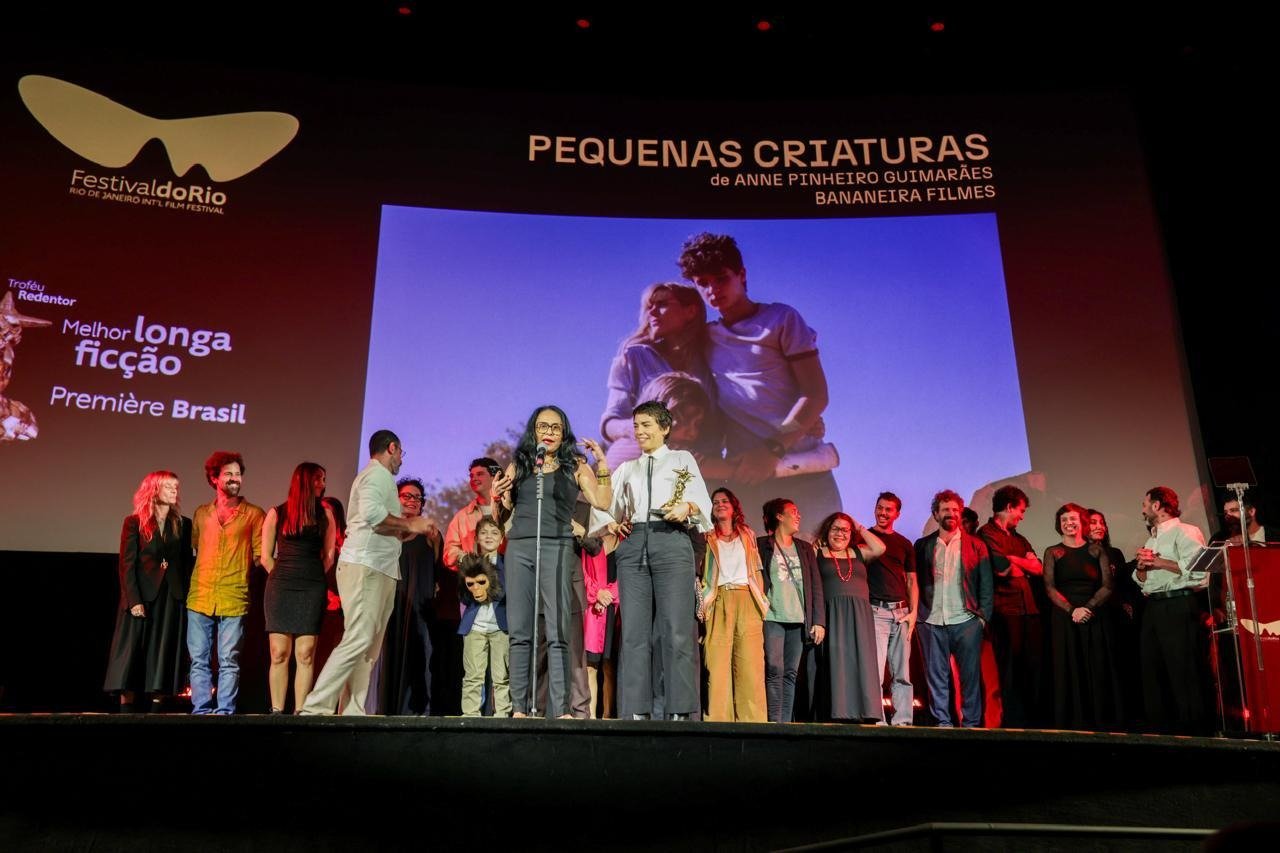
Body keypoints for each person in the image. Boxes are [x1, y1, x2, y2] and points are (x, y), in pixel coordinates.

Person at [679, 232, 839, 524]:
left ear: (741, 275)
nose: (713, 289)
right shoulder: (705, 337)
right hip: (746, 478)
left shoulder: (781, 319)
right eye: (703, 283)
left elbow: (816, 394)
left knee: (817, 550)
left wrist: (773, 449)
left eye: (721, 278)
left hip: (801, 471)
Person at [300, 430, 436, 715]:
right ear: (392, 448)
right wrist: (410, 524)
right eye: (401, 453)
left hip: (382, 568)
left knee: (369, 648)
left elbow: (381, 527)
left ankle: (353, 710)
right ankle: (316, 705)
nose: (401, 460)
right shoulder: (376, 475)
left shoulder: (381, 478)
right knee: (359, 638)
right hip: (365, 566)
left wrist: (410, 530)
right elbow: (373, 516)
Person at [494, 406, 611, 719]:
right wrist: (498, 498)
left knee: (559, 630)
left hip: (557, 547)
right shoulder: (520, 464)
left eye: (555, 427)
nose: (549, 432)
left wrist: (601, 464)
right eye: (543, 426)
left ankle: (561, 710)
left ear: (564, 432)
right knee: (520, 631)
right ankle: (519, 709)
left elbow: (602, 501)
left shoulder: (575, 465)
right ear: (534, 430)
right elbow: (501, 517)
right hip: (520, 548)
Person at [608, 399, 713, 720]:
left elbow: (702, 502)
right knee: (634, 633)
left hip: (672, 540)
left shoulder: (682, 459)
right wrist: (613, 523)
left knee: (676, 630)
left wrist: (688, 508)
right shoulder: (627, 468)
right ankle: (635, 711)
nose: (639, 431)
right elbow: (607, 509)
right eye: (636, 426)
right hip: (634, 543)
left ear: (665, 428)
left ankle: (680, 710)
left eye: (646, 425)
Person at [103, 471, 193, 711]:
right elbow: (127, 564)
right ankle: (126, 713)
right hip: (141, 596)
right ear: (153, 490)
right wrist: (133, 600)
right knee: (132, 654)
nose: (174, 490)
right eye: (168, 486)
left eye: (176, 487)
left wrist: (184, 595)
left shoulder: (182, 524)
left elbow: (185, 562)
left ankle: (156, 712)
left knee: (162, 651)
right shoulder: (135, 522)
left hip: (171, 597)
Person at [186, 451, 266, 715]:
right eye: (228, 474)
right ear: (214, 478)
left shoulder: (254, 514)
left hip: (234, 595)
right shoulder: (201, 514)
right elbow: (197, 548)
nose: (235, 478)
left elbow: (259, 556)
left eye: (238, 474)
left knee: (229, 661)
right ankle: (201, 711)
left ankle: (224, 714)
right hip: (200, 595)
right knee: (198, 660)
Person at [601, 283, 711, 468]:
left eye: (662, 304)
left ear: (690, 311)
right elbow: (610, 423)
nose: (651, 312)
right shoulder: (633, 356)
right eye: (649, 306)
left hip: (697, 467)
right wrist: (638, 428)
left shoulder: (709, 360)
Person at [261, 462, 337, 713]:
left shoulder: (325, 514)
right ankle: (277, 711)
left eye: (324, 479)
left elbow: (328, 557)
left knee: (305, 653)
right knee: (278, 652)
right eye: (319, 478)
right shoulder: (277, 513)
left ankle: (301, 712)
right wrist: (284, 575)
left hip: (311, 587)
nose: (323, 484)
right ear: (304, 481)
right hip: (281, 586)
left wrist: (310, 577)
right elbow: (265, 557)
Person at [1134, 486, 1210, 734]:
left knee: (1183, 668)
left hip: (1177, 604)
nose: (1143, 510)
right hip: (1154, 607)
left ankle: (1193, 732)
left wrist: (1159, 562)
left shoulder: (1185, 531)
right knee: (1153, 670)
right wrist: (1142, 568)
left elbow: (1199, 571)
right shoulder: (1152, 538)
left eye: (1145, 504)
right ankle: (1163, 730)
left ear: (1156, 505)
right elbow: (1143, 581)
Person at [915, 490, 993, 728]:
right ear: (936, 514)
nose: (951, 514)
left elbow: (986, 584)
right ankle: (943, 723)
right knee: (936, 678)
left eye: (955, 510)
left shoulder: (976, 545)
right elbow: (914, 581)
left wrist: (982, 618)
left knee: (970, 677)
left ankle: (971, 725)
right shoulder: (923, 545)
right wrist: (919, 617)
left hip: (966, 620)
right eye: (945, 510)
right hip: (931, 621)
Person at [1043, 503, 1122, 730]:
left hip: (1094, 615)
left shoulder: (1096, 550)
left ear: (1082, 522)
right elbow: (1049, 587)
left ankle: (1102, 723)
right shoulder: (1052, 552)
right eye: (1064, 520)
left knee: (1097, 667)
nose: (1068, 523)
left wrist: (1088, 607)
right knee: (1069, 668)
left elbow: (1107, 585)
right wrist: (1072, 610)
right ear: (1059, 525)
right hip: (1065, 617)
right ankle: (1073, 724)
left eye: (1073, 519)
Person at [368, 476, 442, 715]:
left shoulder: (430, 534)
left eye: (418, 497)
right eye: (406, 496)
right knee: (387, 656)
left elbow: (437, 568)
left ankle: (415, 713)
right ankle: (384, 711)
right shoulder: (385, 532)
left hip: (419, 606)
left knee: (418, 659)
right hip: (390, 602)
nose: (412, 500)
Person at [976, 484, 1044, 728]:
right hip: (1005, 611)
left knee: (1030, 669)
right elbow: (1003, 569)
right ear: (1009, 507)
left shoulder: (1019, 538)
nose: (1022, 517)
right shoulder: (986, 534)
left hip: (1028, 609)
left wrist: (1015, 560)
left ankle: (1028, 721)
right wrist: (1021, 562)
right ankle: (1009, 723)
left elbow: (1038, 568)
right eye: (1021, 511)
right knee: (1008, 670)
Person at [700, 487, 768, 722]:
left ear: (734, 506)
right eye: (715, 502)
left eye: (725, 501)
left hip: (747, 599)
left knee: (750, 665)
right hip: (718, 600)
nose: (720, 504)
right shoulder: (706, 537)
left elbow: (757, 569)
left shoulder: (747, 535)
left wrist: (762, 601)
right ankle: (719, 721)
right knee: (717, 665)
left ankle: (753, 722)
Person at [757, 498, 826, 722]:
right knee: (774, 668)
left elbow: (816, 585)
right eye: (793, 512)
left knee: (790, 673)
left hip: (798, 619)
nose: (798, 516)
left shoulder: (804, 548)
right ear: (779, 516)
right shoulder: (762, 545)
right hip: (772, 617)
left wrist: (818, 621)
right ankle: (774, 721)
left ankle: (785, 723)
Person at [814, 511, 886, 722]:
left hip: (859, 615)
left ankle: (866, 712)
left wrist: (858, 526)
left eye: (845, 530)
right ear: (827, 531)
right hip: (833, 614)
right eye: (835, 529)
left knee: (861, 661)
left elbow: (880, 548)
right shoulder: (817, 552)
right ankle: (840, 712)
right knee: (838, 661)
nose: (840, 534)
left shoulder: (858, 551)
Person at [867, 492, 918, 726]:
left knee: (902, 673)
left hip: (901, 613)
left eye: (888, 509)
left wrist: (913, 613)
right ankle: (878, 719)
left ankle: (903, 721)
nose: (883, 513)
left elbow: (911, 581)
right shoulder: (865, 539)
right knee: (876, 671)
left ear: (897, 514)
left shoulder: (904, 544)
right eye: (880, 508)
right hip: (875, 611)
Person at [457, 518, 510, 717]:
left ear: (502, 538)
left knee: (502, 676)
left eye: (494, 533)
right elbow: (462, 596)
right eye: (484, 532)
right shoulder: (469, 564)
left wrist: (489, 589)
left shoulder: (507, 563)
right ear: (477, 538)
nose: (489, 537)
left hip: (500, 627)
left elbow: (508, 593)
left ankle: (502, 715)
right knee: (473, 676)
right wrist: (472, 589)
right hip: (474, 627)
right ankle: (470, 715)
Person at [443, 457, 502, 570]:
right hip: (475, 577)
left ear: (494, 477)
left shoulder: (509, 510)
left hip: (508, 576)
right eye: (471, 476)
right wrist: (465, 559)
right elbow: (449, 552)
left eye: (480, 474)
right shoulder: (462, 517)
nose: (474, 478)